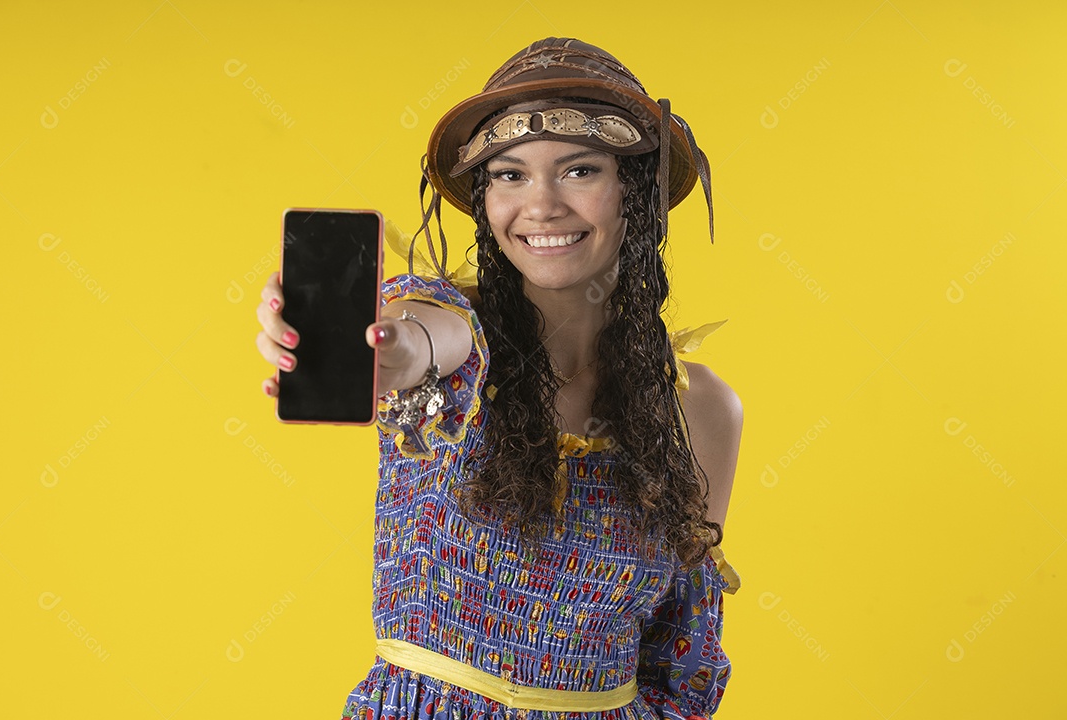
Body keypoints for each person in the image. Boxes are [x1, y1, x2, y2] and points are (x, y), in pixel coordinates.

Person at [255, 37, 744, 720]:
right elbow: (429, 337)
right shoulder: (452, 336)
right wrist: (396, 350)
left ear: (635, 191)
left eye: (579, 170)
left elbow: (680, 657)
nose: (541, 205)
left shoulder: (703, 410)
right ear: (485, 200)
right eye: (510, 175)